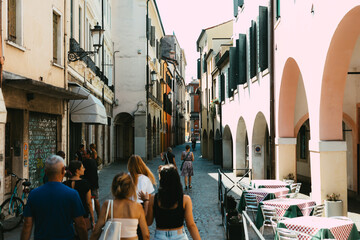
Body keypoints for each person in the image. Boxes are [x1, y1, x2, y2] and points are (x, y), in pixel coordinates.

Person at [21, 155, 87, 240]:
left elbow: (27, 225)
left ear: (45, 172)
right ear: (63, 170)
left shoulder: (34, 194)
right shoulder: (72, 194)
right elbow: (80, 224)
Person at [140, 164, 201, 240]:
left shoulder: (154, 198)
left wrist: (146, 201)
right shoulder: (185, 199)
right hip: (180, 236)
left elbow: (148, 222)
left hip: (160, 236)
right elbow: (191, 225)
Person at [90, 173, 150, 240]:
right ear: (131, 188)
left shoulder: (108, 205)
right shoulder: (138, 207)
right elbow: (146, 235)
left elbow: (96, 232)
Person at [128, 155, 156, 240]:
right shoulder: (145, 179)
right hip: (141, 208)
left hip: (127, 207)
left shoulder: (125, 177)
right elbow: (149, 197)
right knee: (141, 233)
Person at [64, 160, 95, 230]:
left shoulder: (65, 184)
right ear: (77, 170)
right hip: (82, 215)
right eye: (82, 167)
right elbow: (89, 203)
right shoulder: (85, 184)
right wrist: (92, 219)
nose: (84, 169)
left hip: (68, 217)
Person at [82, 150, 100, 218]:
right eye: (82, 154)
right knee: (96, 200)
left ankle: (90, 217)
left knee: (88, 202)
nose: (83, 156)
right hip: (95, 184)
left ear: (89, 155)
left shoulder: (85, 162)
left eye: (84, 154)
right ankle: (99, 216)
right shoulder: (93, 161)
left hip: (88, 185)